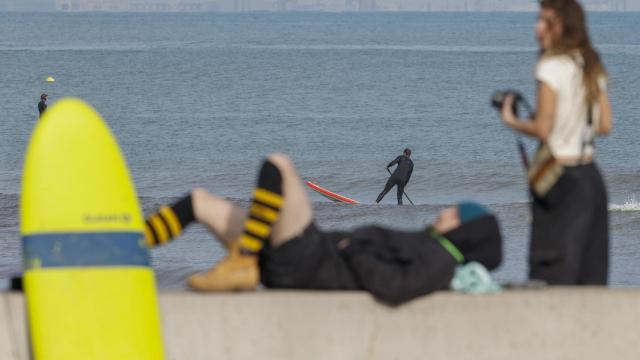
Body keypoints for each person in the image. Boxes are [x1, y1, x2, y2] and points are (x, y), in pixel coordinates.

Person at [144, 154, 502, 305]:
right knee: (199, 202)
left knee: (279, 166)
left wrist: (350, 247)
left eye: (453, 214)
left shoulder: (438, 259)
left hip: (312, 259)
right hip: (302, 258)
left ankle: (243, 259)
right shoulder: (429, 249)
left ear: (464, 232)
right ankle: (127, 245)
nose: (443, 212)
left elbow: (395, 287)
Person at [499, 0, 612, 285]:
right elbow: (604, 125)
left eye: (543, 20)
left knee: (551, 271)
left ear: (560, 26)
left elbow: (542, 129)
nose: (536, 27)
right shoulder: (590, 62)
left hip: (561, 179)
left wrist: (511, 120)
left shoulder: (551, 65)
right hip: (591, 177)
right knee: (591, 275)